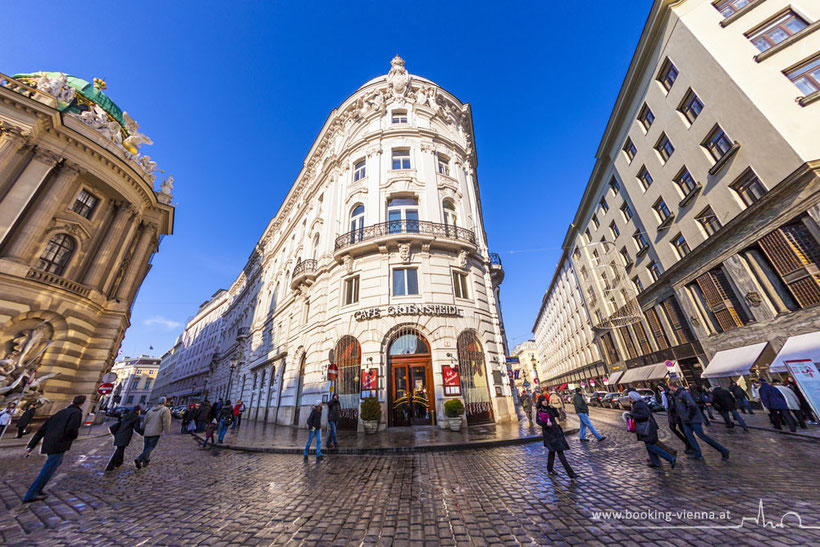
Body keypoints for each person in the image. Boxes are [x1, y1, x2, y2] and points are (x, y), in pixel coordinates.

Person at [23, 395, 85, 503]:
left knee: (56, 463)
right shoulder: (76, 413)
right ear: (82, 403)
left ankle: (38, 489)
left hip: (49, 443)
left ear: (72, 401)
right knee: (48, 469)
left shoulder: (60, 413)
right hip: (59, 444)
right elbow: (72, 429)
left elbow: (42, 429)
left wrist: (31, 446)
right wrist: (74, 437)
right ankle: (31, 494)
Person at [671, 379, 729, 461]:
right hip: (685, 420)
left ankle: (723, 450)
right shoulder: (676, 395)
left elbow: (692, 405)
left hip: (693, 419)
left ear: (672, 387)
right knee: (690, 437)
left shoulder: (683, 393)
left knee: (702, 436)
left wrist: (688, 417)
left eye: (670, 388)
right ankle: (697, 454)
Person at [628, 391, 676, 469]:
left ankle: (670, 458)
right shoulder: (640, 403)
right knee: (649, 445)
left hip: (647, 428)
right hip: (648, 427)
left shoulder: (638, 405)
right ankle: (655, 462)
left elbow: (644, 415)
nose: (630, 399)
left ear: (633, 398)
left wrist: (632, 415)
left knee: (650, 446)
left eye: (630, 398)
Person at [535, 398, 577, 479]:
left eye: (546, 400)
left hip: (556, 431)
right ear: (540, 402)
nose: (545, 402)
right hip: (549, 433)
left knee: (552, 452)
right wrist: (546, 424)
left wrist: (553, 407)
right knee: (560, 452)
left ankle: (549, 469)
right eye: (543, 401)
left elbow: (557, 414)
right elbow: (538, 421)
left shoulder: (549, 408)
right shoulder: (540, 410)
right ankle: (570, 473)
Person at [135, 397, 172, 469]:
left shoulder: (150, 410)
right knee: (151, 447)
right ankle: (139, 459)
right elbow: (166, 421)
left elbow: (145, 420)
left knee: (146, 447)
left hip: (147, 431)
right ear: (165, 402)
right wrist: (166, 431)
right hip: (156, 431)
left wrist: (142, 429)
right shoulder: (165, 410)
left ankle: (145, 462)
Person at [106, 406, 143, 472]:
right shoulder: (136, 418)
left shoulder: (127, 415)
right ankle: (110, 466)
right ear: (138, 411)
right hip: (125, 435)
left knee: (120, 449)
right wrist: (142, 433)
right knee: (119, 450)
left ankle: (118, 463)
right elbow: (137, 429)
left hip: (118, 433)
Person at [662, 384, 693, 453]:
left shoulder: (673, 394)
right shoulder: (667, 394)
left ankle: (690, 444)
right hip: (673, 413)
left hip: (676, 413)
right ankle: (688, 443)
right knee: (675, 428)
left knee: (682, 429)